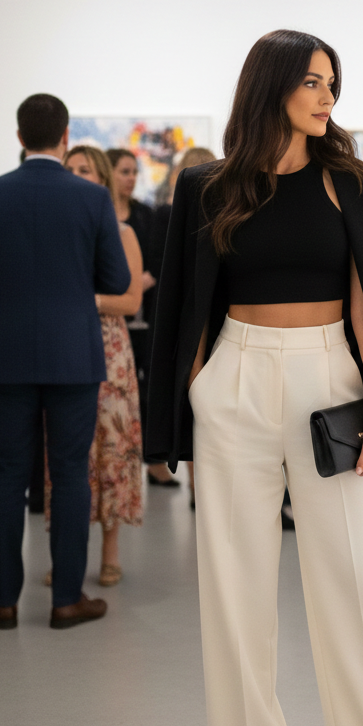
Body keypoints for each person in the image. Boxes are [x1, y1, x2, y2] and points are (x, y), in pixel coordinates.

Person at [147, 29, 363, 726]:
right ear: (271, 85)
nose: (326, 96)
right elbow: (190, 312)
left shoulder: (355, 182)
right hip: (234, 382)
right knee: (236, 593)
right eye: (312, 81)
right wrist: (190, 406)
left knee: (358, 589)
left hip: (331, 382)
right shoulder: (207, 186)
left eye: (333, 83)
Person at [0, 94, 131, 629]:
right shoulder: (91, 198)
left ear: (18, 137)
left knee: (9, 473)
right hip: (73, 356)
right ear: (64, 138)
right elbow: (118, 282)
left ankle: (4, 603)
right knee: (70, 474)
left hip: (8, 353)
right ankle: (65, 601)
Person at [57, 145, 144, 586]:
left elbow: (131, 301)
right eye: (69, 168)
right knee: (67, 451)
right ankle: (66, 554)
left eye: (84, 170)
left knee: (110, 448)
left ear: (102, 178)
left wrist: (83, 300)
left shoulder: (122, 232)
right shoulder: (54, 228)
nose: (75, 175)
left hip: (109, 349)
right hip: (63, 346)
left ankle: (110, 551)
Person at [146, 146, 217, 499]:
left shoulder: (221, 211)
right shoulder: (166, 216)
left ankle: (197, 485)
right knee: (192, 398)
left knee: (199, 398)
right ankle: (195, 483)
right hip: (188, 316)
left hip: (193, 314)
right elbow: (163, 266)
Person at [106, 148, 165, 484]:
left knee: (147, 387)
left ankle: (153, 461)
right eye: (124, 171)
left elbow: (158, 256)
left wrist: (148, 278)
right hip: (112, 312)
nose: (130, 178)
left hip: (145, 313)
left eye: (133, 172)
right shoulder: (96, 213)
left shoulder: (145, 214)